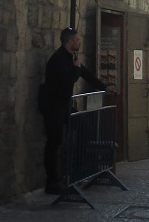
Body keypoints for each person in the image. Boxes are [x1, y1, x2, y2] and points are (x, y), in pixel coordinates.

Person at [40, 26, 104, 194]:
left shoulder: (71, 58)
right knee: (54, 143)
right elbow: (68, 81)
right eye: (76, 39)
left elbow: (86, 75)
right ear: (69, 42)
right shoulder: (59, 59)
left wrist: (105, 87)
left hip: (65, 105)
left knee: (85, 130)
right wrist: (76, 68)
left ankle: (79, 169)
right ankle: (52, 181)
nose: (79, 41)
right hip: (54, 107)